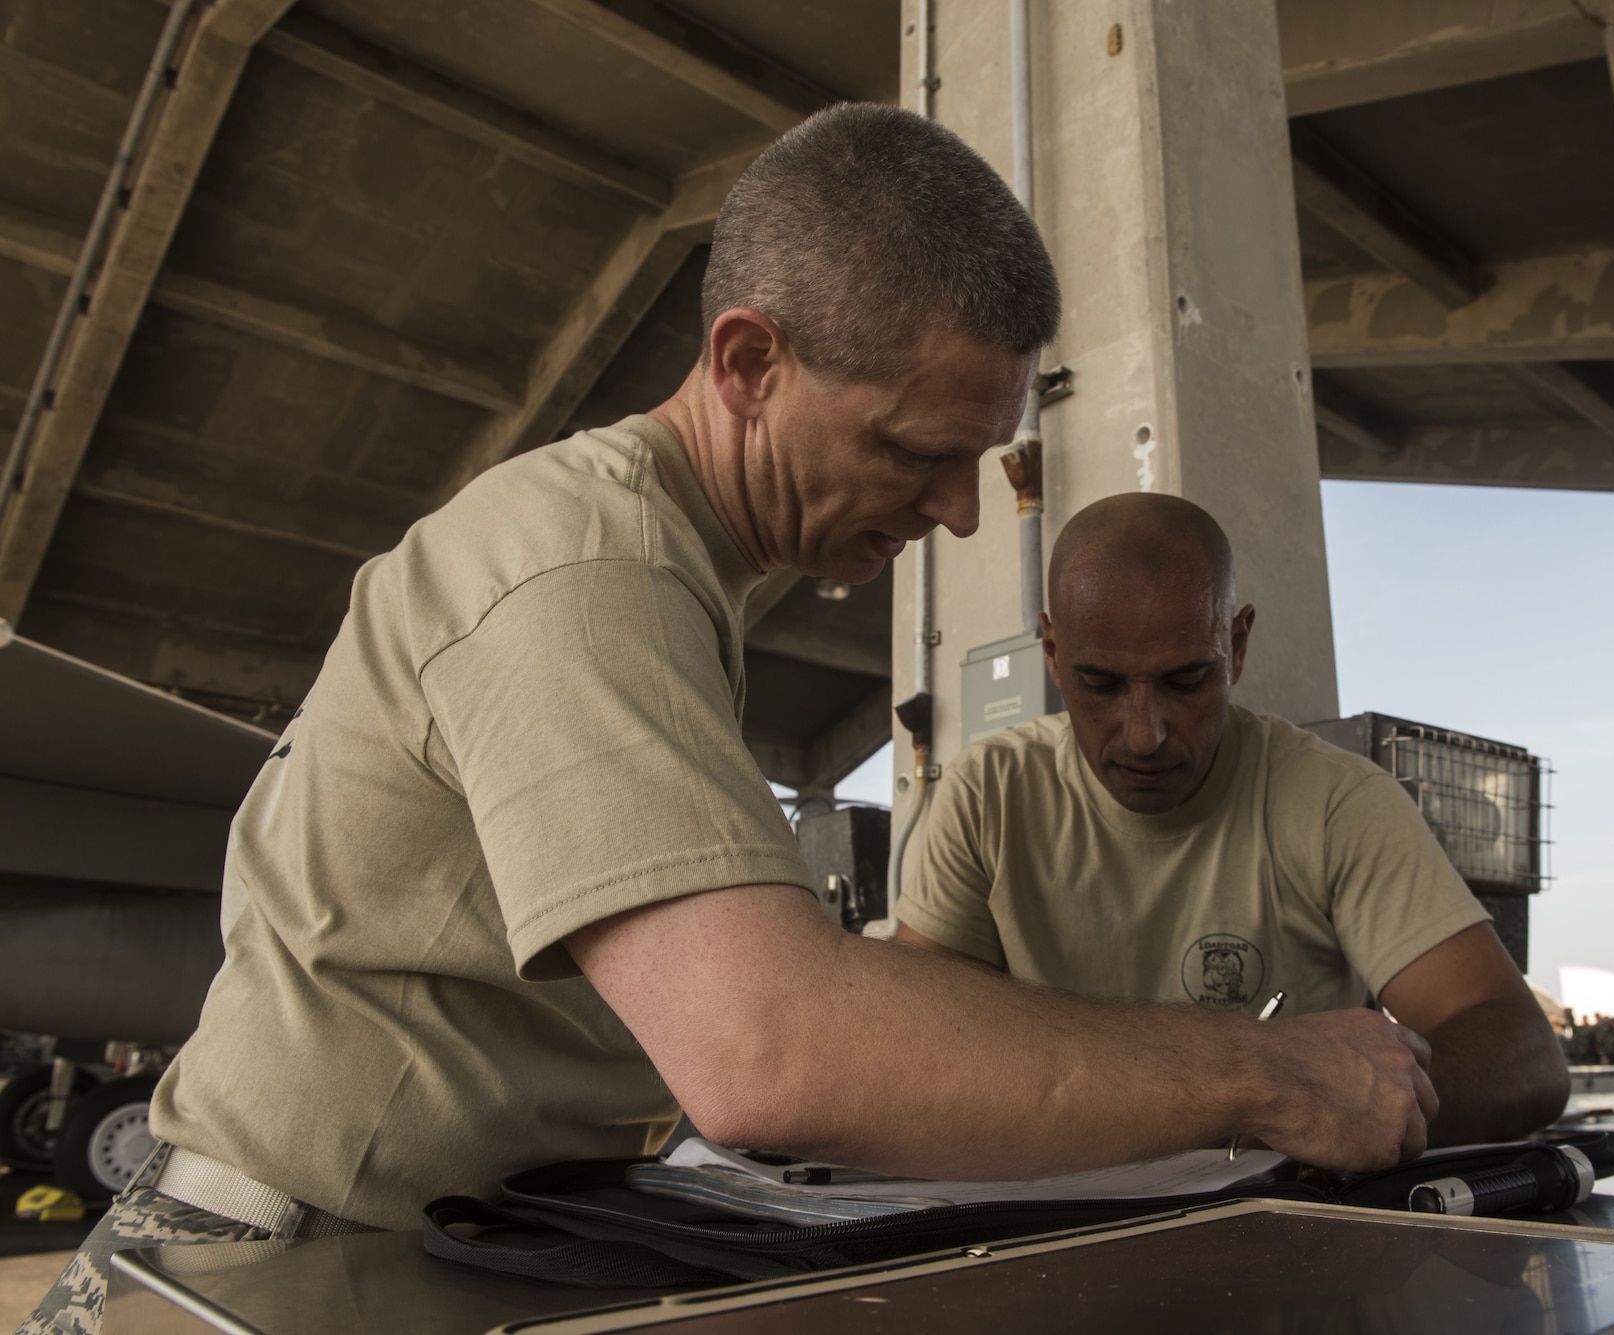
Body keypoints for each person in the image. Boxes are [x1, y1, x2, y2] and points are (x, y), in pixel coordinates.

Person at [22, 106, 1440, 1335]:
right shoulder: (584, 565)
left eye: (977, 459)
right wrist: (1267, 1066)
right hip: (273, 1276)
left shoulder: (686, 580)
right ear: (750, 361)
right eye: (912, 448)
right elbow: (772, 1047)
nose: (953, 510)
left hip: (439, 1256)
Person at [897, 493, 1571, 1147]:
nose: (1143, 734)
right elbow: (912, 1044)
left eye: (1185, 680)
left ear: (1237, 644)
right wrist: (1255, 1075)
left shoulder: (1337, 802)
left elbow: (1523, 1053)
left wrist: (1359, 1108)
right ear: (1051, 653)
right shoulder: (991, 794)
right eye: (1099, 684)